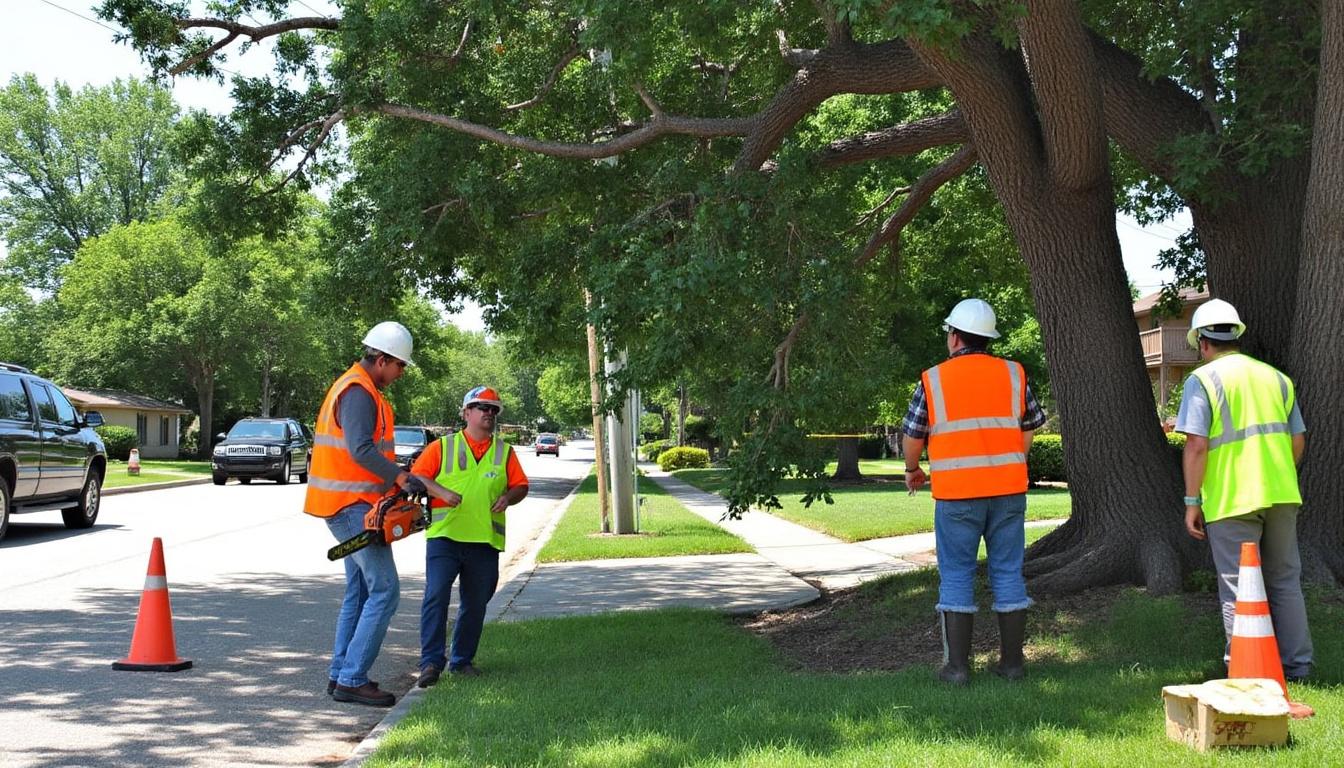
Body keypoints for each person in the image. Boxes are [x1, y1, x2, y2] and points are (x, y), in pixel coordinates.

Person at [901, 298, 1047, 685]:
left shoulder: (933, 380)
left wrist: (912, 470)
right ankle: (1012, 665)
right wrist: (1013, 457)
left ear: (954, 337)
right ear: (987, 339)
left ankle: (957, 669)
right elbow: (1031, 423)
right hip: (1008, 493)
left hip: (957, 496)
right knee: (1007, 571)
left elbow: (913, 435)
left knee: (957, 574)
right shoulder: (1015, 375)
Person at [1175, 298, 1312, 681]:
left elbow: (1196, 445)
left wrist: (1191, 501)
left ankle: (1247, 669)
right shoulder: (1277, 379)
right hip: (1282, 493)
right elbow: (1297, 439)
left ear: (1202, 342)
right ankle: (1297, 667)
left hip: (1232, 498)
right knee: (1285, 581)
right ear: (1236, 335)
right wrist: (1279, 471)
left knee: (1237, 586)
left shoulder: (1202, 380)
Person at [305, 321, 429, 708]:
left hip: (348, 504)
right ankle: (352, 679)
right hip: (350, 507)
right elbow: (360, 450)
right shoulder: (358, 391)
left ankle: (341, 675)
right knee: (386, 590)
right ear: (382, 359)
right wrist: (402, 477)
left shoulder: (357, 387)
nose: (401, 373)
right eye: (400, 366)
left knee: (359, 592)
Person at [410, 386, 529, 687]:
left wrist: (509, 497)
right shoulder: (442, 447)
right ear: (466, 413)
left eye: (493, 409)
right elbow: (417, 477)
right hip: (445, 537)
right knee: (436, 595)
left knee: (476, 603)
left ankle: (461, 661)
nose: (488, 413)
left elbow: (521, 485)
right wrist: (441, 491)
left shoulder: (505, 452)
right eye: (482, 407)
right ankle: (430, 663)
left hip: (484, 541)